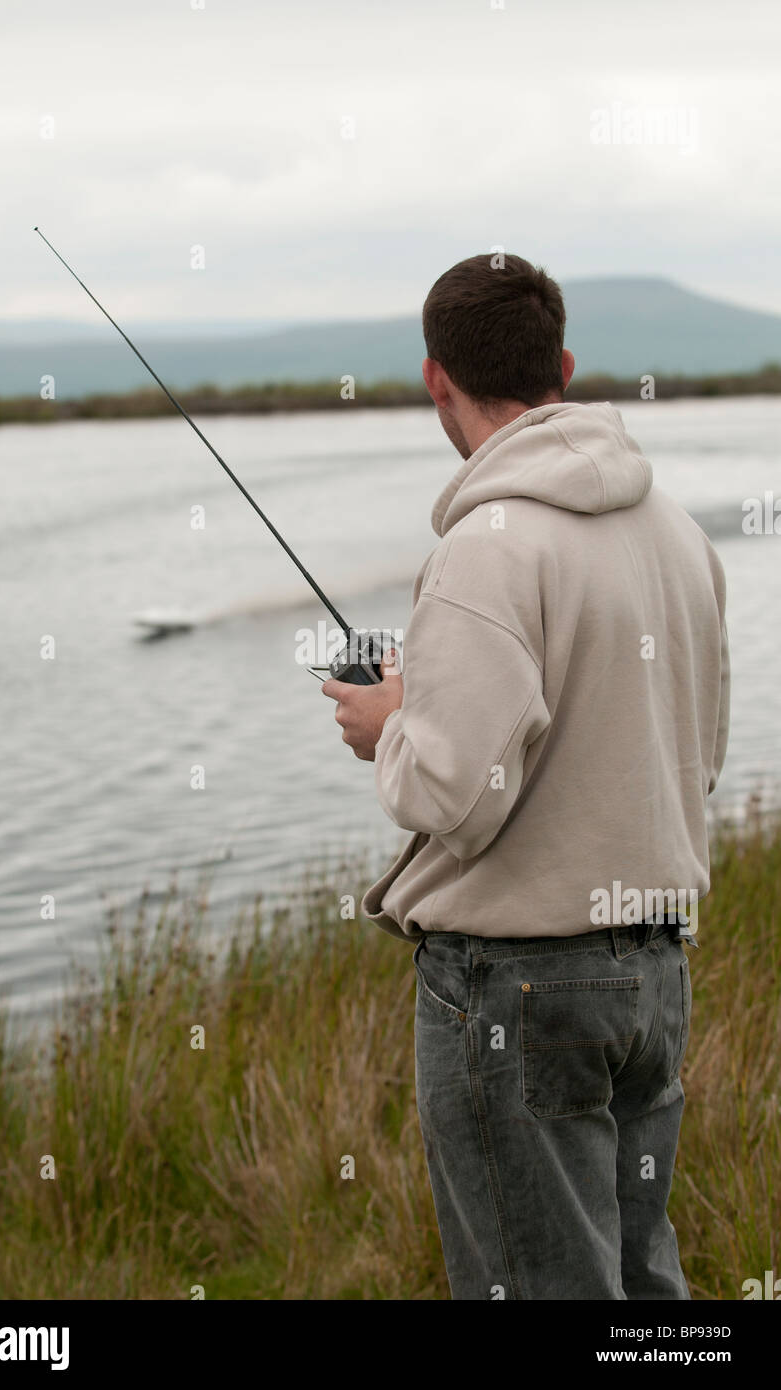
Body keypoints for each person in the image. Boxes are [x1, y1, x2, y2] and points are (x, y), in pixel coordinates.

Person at [321, 252, 730, 1301]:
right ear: (563, 365)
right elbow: (699, 758)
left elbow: (452, 801)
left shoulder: (482, 552)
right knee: (641, 1290)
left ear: (434, 380)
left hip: (517, 988)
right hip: (651, 976)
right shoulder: (677, 535)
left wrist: (391, 726)